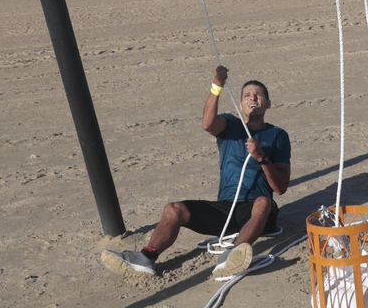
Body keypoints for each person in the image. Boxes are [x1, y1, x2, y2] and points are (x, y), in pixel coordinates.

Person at [102, 65, 291, 280]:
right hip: (227, 211)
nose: (252, 98)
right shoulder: (231, 124)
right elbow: (208, 124)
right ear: (240, 104)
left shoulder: (278, 135)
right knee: (173, 209)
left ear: (268, 104)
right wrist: (216, 87)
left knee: (264, 202)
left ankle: (232, 256)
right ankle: (147, 257)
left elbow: (281, 187)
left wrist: (262, 158)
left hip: (260, 213)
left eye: (258, 95)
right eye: (247, 95)